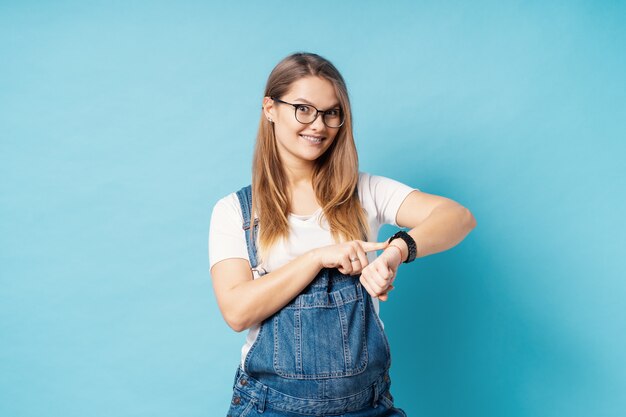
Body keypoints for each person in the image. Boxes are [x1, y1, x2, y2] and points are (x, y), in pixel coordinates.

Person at [209, 52, 476, 417]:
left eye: (331, 112)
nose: (318, 125)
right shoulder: (234, 212)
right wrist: (318, 257)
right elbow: (237, 311)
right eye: (303, 109)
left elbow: (457, 217)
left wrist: (397, 250)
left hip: (366, 407)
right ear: (270, 108)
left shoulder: (365, 192)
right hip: (269, 408)